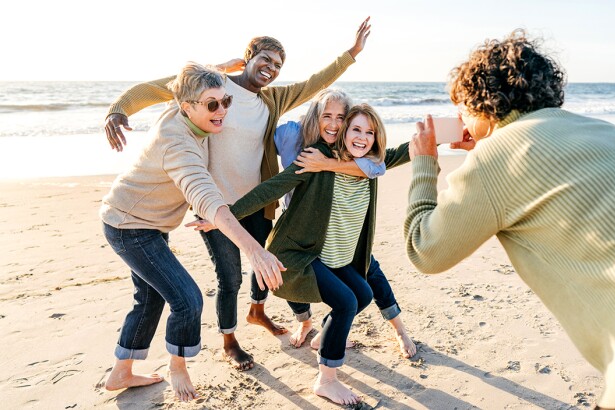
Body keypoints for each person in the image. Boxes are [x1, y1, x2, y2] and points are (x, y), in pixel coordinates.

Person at [405, 30, 615, 409]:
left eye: (460, 107)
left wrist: (425, 166)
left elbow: (426, 250)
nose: (459, 118)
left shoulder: (495, 160)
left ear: (479, 104)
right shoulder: (607, 132)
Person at [104, 18, 371, 371]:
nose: (271, 69)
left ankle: (259, 312)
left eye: (278, 65)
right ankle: (230, 341)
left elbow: (314, 85)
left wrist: (351, 54)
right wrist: (119, 109)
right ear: (248, 57)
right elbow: (157, 89)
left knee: (269, 266)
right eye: (265, 59)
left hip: (258, 203)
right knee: (229, 278)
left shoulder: (273, 98)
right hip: (215, 207)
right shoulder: (213, 88)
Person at [100, 63, 284, 402]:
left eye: (225, 101)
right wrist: (254, 250)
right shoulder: (178, 144)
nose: (222, 111)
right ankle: (177, 367)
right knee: (187, 299)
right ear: (187, 107)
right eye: (211, 105)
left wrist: (221, 67)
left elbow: (164, 84)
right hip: (130, 227)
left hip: (144, 223)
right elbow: (206, 195)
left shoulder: (184, 106)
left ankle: (121, 372)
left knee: (150, 297)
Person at [224, 104, 410, 404]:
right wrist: (225, 216)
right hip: (299, 255)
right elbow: (272, 187)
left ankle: (325, 338)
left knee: (362, 295)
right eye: (355, 130)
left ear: (376, 138)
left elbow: (409, 148)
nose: (362, 138)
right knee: (347, 301)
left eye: (369, 132)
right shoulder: (316, 159)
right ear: (344, 132)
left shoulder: (371, 164)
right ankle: (326, 380)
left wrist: (450, 135)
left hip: (335, 258)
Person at [274, 88, 417, 358]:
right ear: (315, 115)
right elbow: (267, 170)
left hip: (339, 234)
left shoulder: (345, 145)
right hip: (298, 227)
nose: (334, 123)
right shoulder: (293, 136)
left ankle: (397, 328)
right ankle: (306, 324)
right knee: (295, 275)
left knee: (369, 273)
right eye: (327, 115)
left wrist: (327, 163)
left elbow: (378, 162)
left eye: (341, 117)